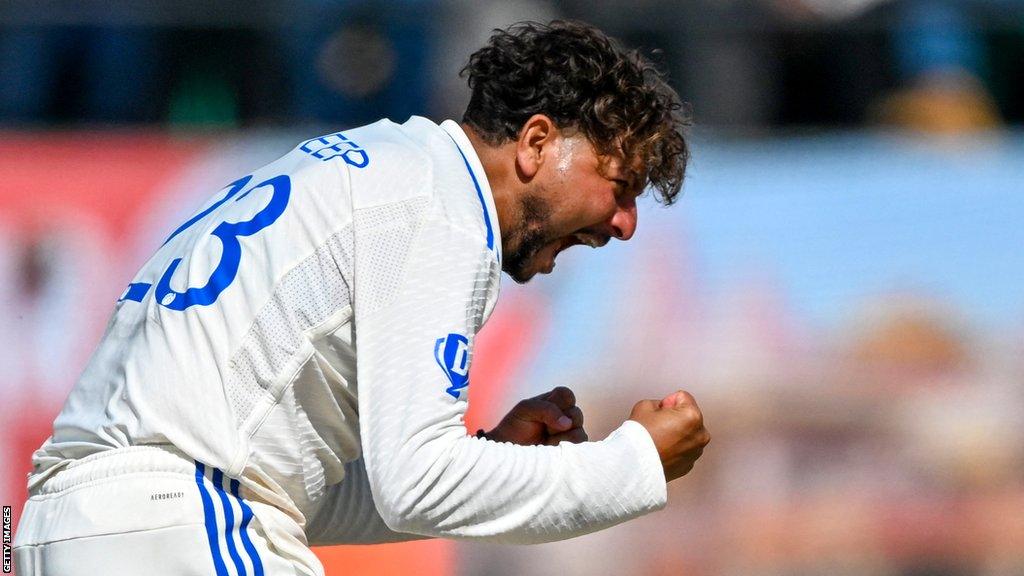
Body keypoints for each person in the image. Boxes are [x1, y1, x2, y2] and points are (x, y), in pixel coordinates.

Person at [14, 20, 709, 576]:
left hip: (65, 531)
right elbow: (420, 484)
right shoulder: (437, 208)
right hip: (182, 528)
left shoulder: (374, 167)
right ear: (536, 142)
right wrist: (636, 462)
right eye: (619, 184)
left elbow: (302, 483)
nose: (625, 223)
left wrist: (495, 452)